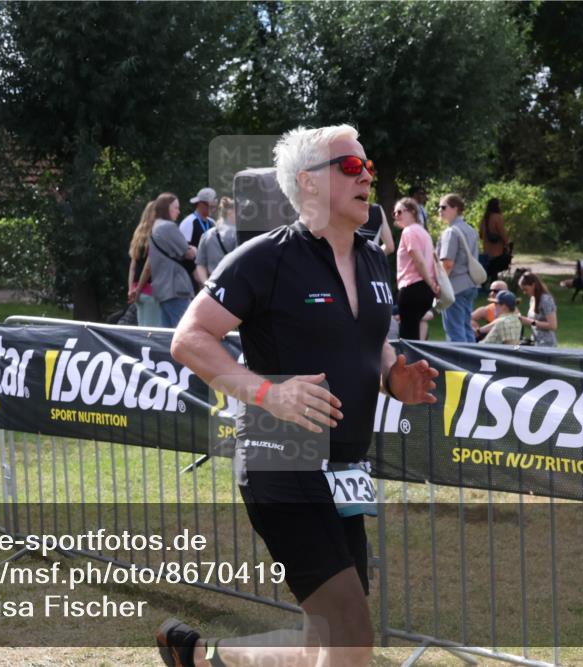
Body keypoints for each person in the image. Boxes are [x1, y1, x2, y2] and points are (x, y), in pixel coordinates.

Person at [160, 124, 438, 667]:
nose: (368, 176)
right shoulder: (264, 258)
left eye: (368, 166)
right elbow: (189, 339)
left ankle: (203, 661)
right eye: (352, 167)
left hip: (344, 469)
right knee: (352, 631)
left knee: (326, 640)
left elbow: (373, 340)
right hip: (279, 463)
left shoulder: (372, 257)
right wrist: (267, 393)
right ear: (308, 183)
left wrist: (391, 378)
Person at [392, 197, 439, 340]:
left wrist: (431, 283)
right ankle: (418, 360)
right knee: (415, 332)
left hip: (413, 288)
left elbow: (419, 261)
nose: (396, 216)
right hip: (424, 290)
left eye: (399, 212)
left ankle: (411, 361)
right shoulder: (424, 233)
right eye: (394, 213)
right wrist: (432, 285)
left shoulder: (409, 231)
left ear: (412, 211)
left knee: (408, 336)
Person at [149, 193, 197, 328]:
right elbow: (189, 253)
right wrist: (194, 249)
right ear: (166, 208)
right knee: (184, 330)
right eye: (176, 207)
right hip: (175, 288)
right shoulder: (168, 227)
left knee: (168, 334)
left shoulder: (155, 226)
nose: (178, 211)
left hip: (163, 289)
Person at [437, 193, 480, 343]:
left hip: (455, 286)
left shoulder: (451, 232)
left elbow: (447, 263)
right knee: (466, 329)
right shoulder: (471, 230)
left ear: (455, 208)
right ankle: (471, 364)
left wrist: (440, 285)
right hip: (470, 284)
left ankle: (458, 366)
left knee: (455, 332)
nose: (439, 210)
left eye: (443, 207)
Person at [127, 201, 162, 327]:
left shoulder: (138, 234)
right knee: (152, 333)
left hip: (137, 291)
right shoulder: (156, 235)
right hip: (149, 291)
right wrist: (139, 289)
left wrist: (131, 289)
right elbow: (148, 268)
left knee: (142, 329)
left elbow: (133, 266)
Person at [194, 196, 237, 285]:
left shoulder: (206, 234)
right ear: (231, 212)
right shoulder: (237, 234)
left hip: (213, 284)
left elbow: (200, 264)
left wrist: (206, 283)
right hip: (233, 284)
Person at [518, 272, 558, 346]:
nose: (524, 292)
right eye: (522, 290)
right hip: (536, 342)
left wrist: (530, 322)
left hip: (547, 344)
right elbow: (534, 323)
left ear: (533, 285)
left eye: (526, 289)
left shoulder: (546, 300)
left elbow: (553, 325)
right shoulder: (532, 299)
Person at [479, 197, 510, 286]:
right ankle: (493, 284)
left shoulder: (484, 218)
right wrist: (506, 242)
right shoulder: (498, 217)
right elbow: (502, 231)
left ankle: (484, 283)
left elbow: (481, 234)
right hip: (497, 247)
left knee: (488, 266)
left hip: (487, 246)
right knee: (495, 268)